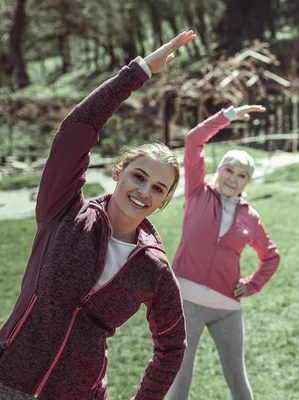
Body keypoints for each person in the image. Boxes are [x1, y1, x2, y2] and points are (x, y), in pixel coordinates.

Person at [0, 31, 198, 399]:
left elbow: (172, 347)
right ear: (118, 172)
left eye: (158, 188)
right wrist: (137, 73)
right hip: (8, 379)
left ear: (164, 200)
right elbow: (75, 133)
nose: (143, 192)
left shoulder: (153, 268)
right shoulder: (63, 212)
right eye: (139, 176)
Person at [168, 105, 281, 400]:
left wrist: (252, 284)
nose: (232, 178)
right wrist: (227, 116)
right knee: (179, 378)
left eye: (241, 175)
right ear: (219, 170)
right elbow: (194, 140)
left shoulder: (250, 217)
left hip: (227, 307)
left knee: (238, 382)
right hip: (186, 301)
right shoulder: (197, 192)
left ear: (247, 182)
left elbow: (271, 256)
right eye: (228, 170)